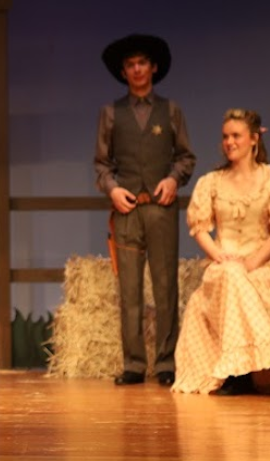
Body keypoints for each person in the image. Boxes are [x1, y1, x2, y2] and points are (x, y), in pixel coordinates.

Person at [95, 33, 196, 387]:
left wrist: (173, 179)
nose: (137, 69)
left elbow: (185, 157)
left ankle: (166, 362)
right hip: (128, 210)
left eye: (142, 63)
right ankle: (134, 364)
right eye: (130, 65)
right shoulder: (111, 113)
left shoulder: (171, 111)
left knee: (166, 286)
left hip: (160, 209)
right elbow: (101, 164)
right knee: (130, 290)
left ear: (153, 68)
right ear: (123, 72)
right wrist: (113, 189)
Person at [172, 108, 270, 395]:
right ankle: (236, 370)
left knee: (238, 277)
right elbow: (200, 227)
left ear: (254, 139)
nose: (229, 142)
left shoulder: (268, 179)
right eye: (226, 137)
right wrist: (217, 254)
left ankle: (247, 368)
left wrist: (253, 261)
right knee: (229, 275)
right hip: (223, 265)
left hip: (260, 264)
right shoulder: (212, 182)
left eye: (236, 136)